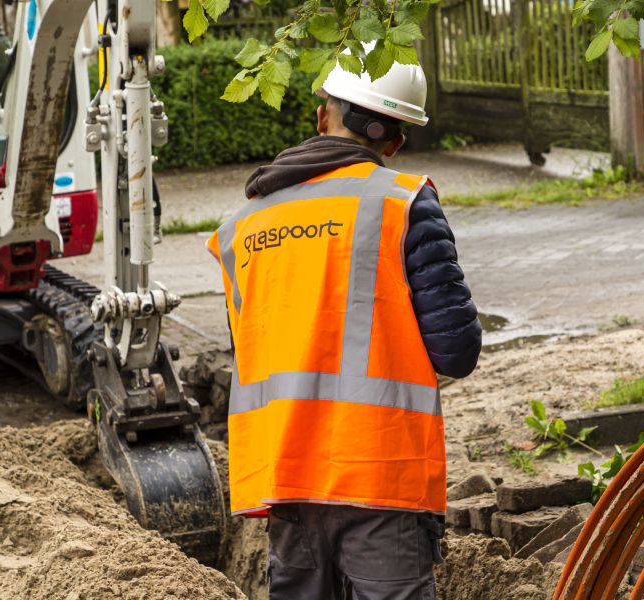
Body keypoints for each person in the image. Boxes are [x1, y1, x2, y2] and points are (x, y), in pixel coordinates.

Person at [207, 47, 481, 600]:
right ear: (396, 140)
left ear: (321, 116)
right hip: (381, 476)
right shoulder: (403, 203)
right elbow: (456, 351)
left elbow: (253, 348)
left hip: (285, 477)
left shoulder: (241, 225)